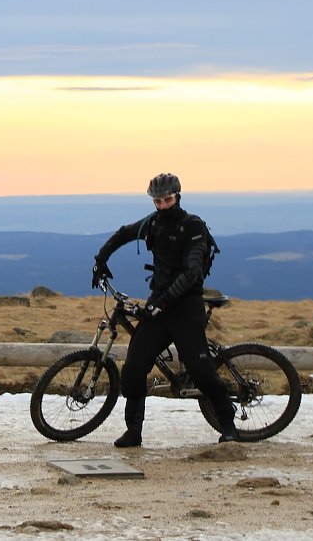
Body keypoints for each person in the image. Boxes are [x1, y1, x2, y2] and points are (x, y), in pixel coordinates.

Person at [91, 173, 238, 446]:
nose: (162, 205)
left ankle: (228, 425)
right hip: (158, 306)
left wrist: (165, 301)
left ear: (177, 197)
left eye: (167, 200)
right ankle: (134, 431)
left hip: (186, 307)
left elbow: (192, 272)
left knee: (201, 370)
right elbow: (124, 234)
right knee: (133, 369)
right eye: (157, 201)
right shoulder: (153, 223)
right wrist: (100, 260)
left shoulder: (193, 226)